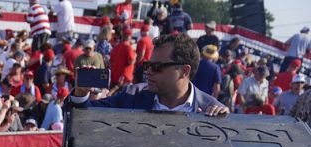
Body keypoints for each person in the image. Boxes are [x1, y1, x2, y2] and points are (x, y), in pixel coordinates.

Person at [70, 33, 228, 116]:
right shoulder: (131, 95)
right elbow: (81, 116)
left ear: (184, 71)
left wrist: (225, 120)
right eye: (147, 65)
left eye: (157, 67)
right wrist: (80, 94)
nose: (148, 71)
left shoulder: (212, 110)